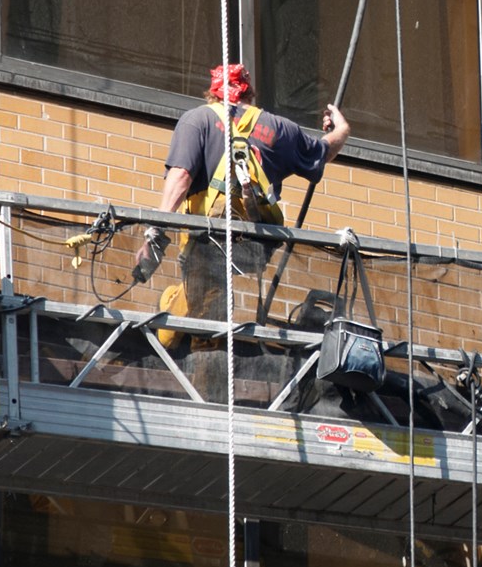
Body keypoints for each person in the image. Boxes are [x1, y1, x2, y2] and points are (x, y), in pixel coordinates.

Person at [141, 63, 350, 353]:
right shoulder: (279, 129)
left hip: (208, 238)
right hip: (256, 242)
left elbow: (181, 177)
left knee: (199, 312)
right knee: (212, 300)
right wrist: (343, 128)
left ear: (212, 94)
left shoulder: (197, 120)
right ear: (249, 94)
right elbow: (323, 151)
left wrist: (156, 232)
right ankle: (188, 326)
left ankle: (174, 334)